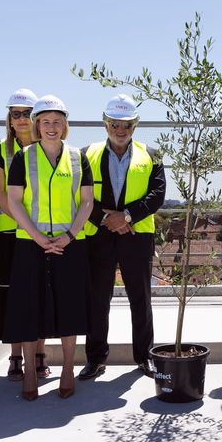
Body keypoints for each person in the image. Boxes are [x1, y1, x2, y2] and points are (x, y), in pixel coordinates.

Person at [3, 95, 93, 401]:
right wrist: (38, 237)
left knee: (70, 305)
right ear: (36, 125)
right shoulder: (23, 158)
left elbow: (87, 202)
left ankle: (67, 369)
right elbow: (14, 200)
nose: (51, 127)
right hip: (31, 243)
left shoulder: (79, 158)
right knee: (29, 308)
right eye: (45, 121)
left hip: (70, 244)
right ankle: (29, 371)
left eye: (57, 121)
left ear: (65, 125)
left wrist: (69, 235)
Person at [79, 94, 166, 380]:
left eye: (126, 124)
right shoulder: (86, 154)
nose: (120, 129)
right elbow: (78, 196)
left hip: (136, 235)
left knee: (140, 298)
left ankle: (144, 356)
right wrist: (106, 219)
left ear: (135, 125)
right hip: (98, 236)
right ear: (106, 124)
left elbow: (157, 195)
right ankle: (94, 358)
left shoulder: (152, 154)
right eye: (115, 123)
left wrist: (126, 216)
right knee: (95, 299)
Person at [0, 88, 47, 383]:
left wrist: (38, 228)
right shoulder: (0, 151)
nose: (21, 119)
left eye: (27, 114)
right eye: (16, 114)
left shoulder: (50, 147)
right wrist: (26, 224)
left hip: (44, 234)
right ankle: (15, 358)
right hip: (13, 233)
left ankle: (38, 355)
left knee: (41, 295)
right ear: (9, 118)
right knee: (13, 297)